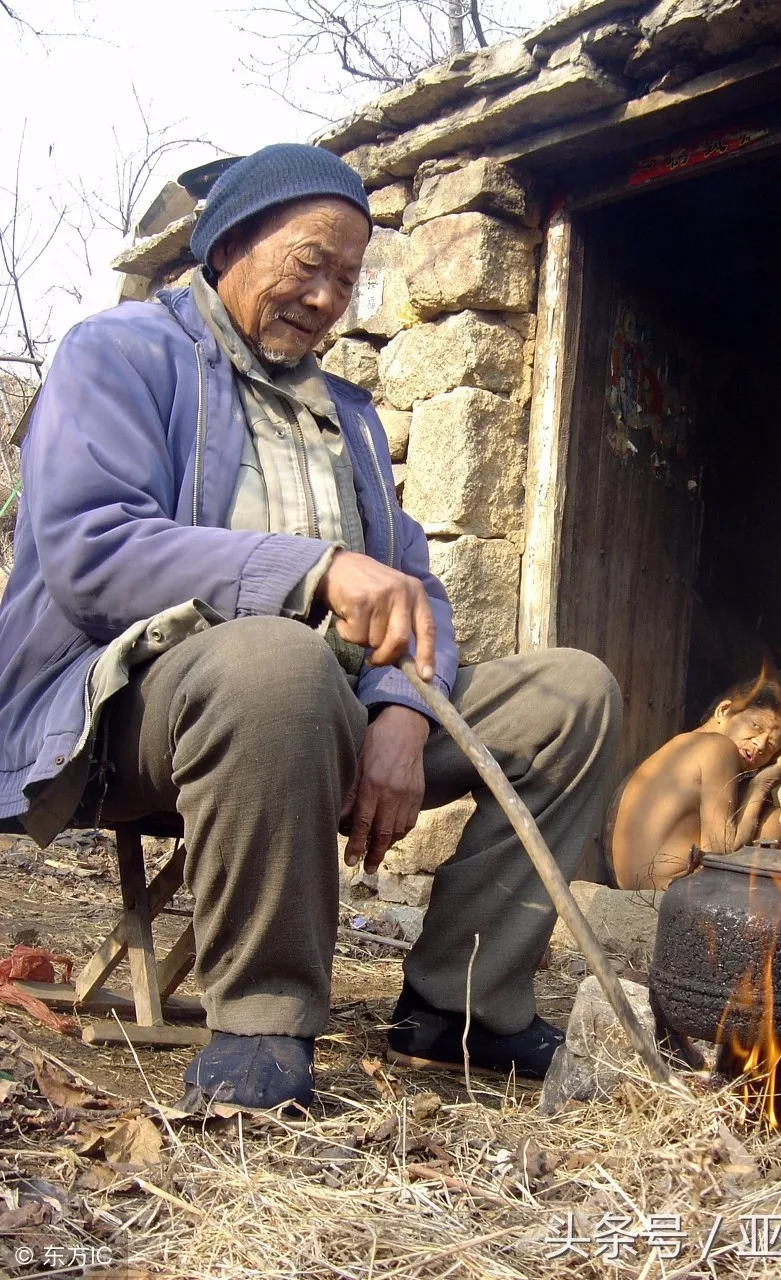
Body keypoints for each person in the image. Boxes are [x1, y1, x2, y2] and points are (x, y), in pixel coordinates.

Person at [0, 144, 622, 1108]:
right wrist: (314, 568)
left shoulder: (350, 417)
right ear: (229, 247)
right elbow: (93, 554)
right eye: (309, 263)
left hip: (329, 709)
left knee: (570, 693)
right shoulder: (118, 353)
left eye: (347, 277)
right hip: (142, 714)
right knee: (276, 660)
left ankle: (463, 1004)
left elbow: (415, 586)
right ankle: (261, 1022)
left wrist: (401, 714)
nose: (329, 298)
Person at [603, 675, 781, 893]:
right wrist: (760, 787)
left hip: (628, 887)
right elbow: (721, 854)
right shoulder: (719, 747)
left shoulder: (683, 745)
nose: (760, 745)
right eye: (756, 726)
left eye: (771, 745)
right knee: (777, 821)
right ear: (724, 710)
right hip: (669, 892)